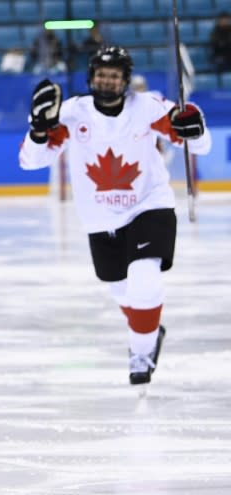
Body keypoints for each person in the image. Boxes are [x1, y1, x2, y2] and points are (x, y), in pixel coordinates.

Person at [19, 46, 212, 385]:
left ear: (125, 81)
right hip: (100, 218)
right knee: (122, 291)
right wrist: (38, 129)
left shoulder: (148, 107)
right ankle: (150, 330)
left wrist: (195, 129)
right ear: (91, 77)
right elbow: (30, 161)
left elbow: (197, 144)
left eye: (114, 76)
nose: (106, 81)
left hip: (148, 205)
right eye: (101, 75)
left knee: (145, 279)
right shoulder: (71, 113)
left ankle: (141, 353)